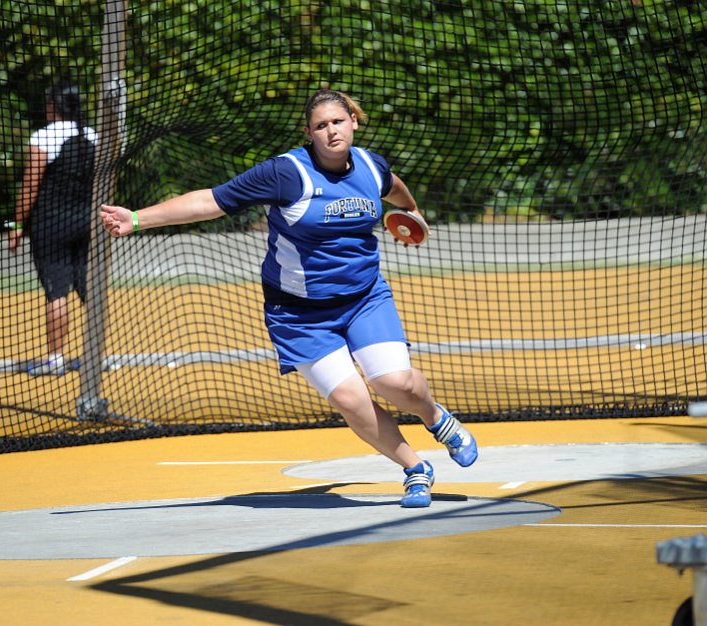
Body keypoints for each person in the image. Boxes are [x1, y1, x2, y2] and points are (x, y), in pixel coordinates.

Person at [100, 89, 477, 507]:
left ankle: (436, 418)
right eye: (321, 126)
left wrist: (409, 218)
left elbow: (395, 189)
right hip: (298, 312)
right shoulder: (286, 173)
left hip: (364, 297)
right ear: (309, 133)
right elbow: (211, 200)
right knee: (350, 399)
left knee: (396, 383)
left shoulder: (372, 165)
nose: (331, 131)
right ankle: (415, 469)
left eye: (338, 121)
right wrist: (136, 219)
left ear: (354, 120)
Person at [9, 80, 97, 376]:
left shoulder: (44, 138)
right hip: (87, 222)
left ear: (52, 107)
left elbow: (30, 187)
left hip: (51, 226)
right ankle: (95, 355)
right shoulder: (93, 137)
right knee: (90, 290)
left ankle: (55, 359)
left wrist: (17, 223)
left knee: (57, 292)